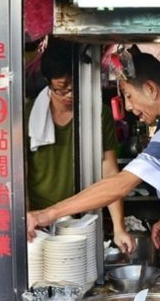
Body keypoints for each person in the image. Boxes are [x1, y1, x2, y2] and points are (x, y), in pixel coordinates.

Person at [28, 51, 160, 272]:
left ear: (150, 89)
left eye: (128, 96)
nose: (128, 107)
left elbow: (119, 185)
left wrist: (48, 214)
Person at [26, 40, 134, 255]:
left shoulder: (98, 114)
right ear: (48, 83)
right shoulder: (27, 115)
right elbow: (21, 175)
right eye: (60, 89)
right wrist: (27, 216)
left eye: (73, 88)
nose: (69, 96)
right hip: (38, 221)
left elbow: (110, 172)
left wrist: (118, 227)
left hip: (83, 218)